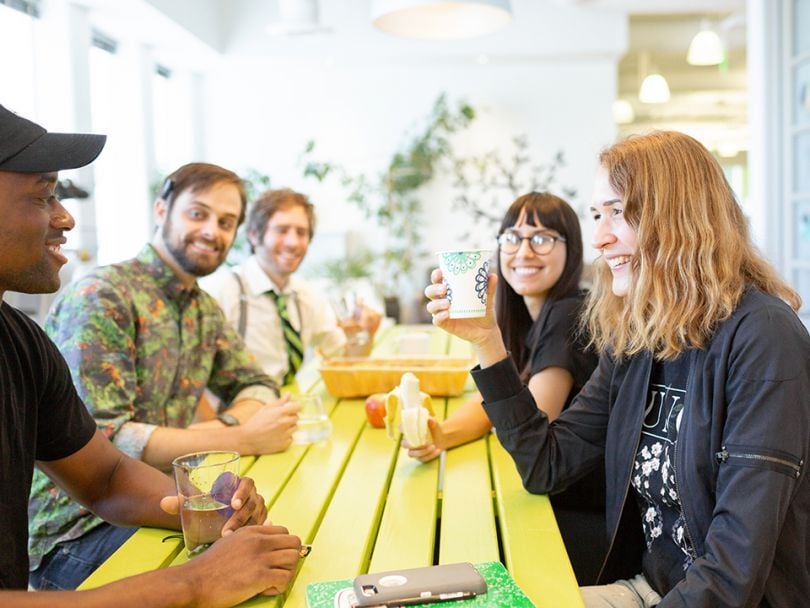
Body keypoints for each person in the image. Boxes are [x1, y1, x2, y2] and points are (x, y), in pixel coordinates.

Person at [426, 130, 810, 607]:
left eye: (620, 212)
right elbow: (546, 464)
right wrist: (487, 340)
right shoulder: (637, 336)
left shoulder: (764, 338)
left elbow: (733, 576)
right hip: (650, 589)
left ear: (681, 215)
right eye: (597, 215)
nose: (601, 237)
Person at [0, 103, 302, 606]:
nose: (66, 216)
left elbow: (106, 474)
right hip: (71, 539)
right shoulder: (104, 293)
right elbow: (112, 437)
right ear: (163, 210)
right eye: (43, 195)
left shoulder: (21, 341)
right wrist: (194, 583)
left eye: (226, 221)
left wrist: (206, 505)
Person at [407, 192, 606, 584]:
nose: (523, 252)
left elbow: (532, 417)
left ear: (573, 248)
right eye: (512, 238)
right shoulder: (530, 315)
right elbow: (497, 399)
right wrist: (441, 435)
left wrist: (485, 344)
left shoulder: (567, 313)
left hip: (578, 514)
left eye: (543, 238)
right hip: (550, 496)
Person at [201, 188, 382, 387]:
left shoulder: (305, 295)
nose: (293, 242)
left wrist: (365, 334)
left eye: (301, 232)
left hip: (287, 404)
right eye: (282, 230)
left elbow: (344, 360)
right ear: (254, 235)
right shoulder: (219, 292)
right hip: (234, 411)